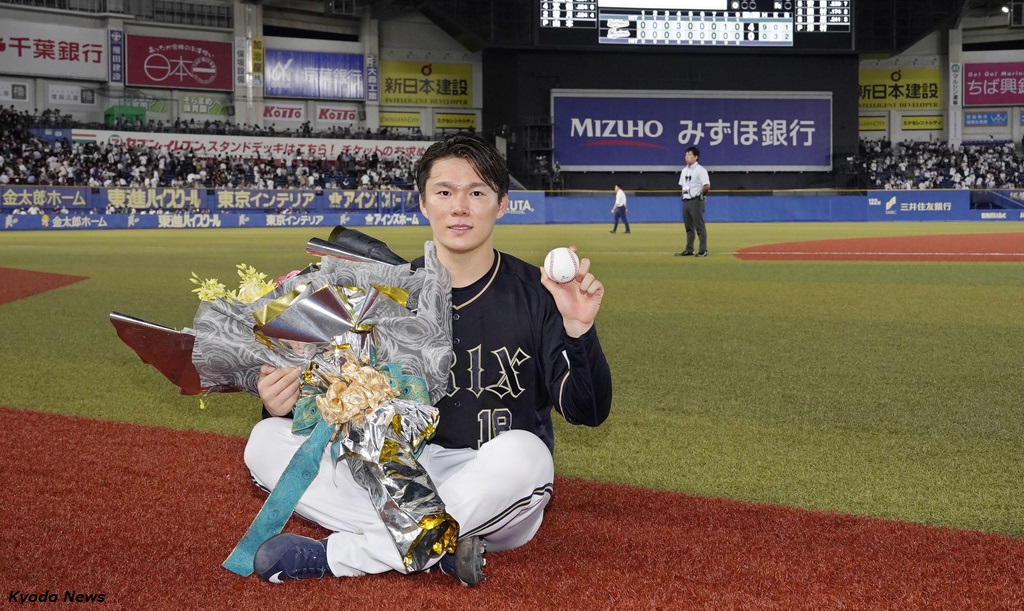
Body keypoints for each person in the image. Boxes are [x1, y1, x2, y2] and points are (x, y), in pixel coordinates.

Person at [245, 134, 613, 586]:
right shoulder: (383, 293)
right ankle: (434, 549)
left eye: (476, 192)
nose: (460, 206)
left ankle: (340, 555)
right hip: (400, 474)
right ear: (423, 204)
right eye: (444, 192)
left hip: (489, 483)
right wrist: (277, 402)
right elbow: (334, 403)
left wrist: (579, 330)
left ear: (501, 205)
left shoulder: (536, 294)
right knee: (265, 440)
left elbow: (589, 411)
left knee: (528, 455)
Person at [675, 146, 710, 257]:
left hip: (696, 201)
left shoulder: (700, 170)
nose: (687, 157)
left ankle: (703, 250)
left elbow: (707, 186)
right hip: (686, 201)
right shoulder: (684, 170)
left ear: (696, 157)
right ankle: (689, 249)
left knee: (699, 226)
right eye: (686, 155)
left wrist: (701, 196)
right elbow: (683, 185)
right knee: (688, 227)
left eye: (689, 155)